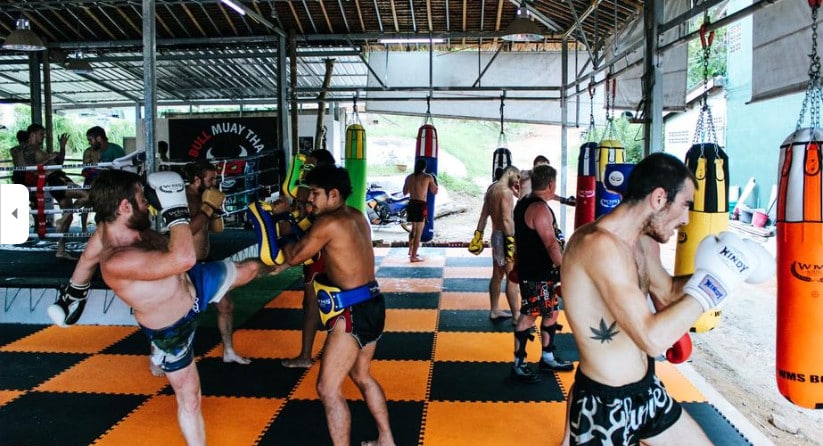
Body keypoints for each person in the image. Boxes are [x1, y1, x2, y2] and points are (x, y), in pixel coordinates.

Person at [560, 152, 772, 444]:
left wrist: (728, 272)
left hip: (647, 392)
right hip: (603, 404)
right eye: (685, 205)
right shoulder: (598, 246)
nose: (686, 219)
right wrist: (712, 286)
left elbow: (668, 292)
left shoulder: (642, 241)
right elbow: (651, 339)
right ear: (659, 198)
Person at [68, 169, 270, 445]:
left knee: (252, 267)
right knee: (190, 399)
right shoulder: (118, 260)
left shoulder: (120, 228)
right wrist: (175, 206)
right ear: (124, 206)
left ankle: (295, 257)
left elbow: (85, 261)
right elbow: (184, 257)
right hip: (173, 329)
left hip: (193, 285)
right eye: (141, 198)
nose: (147, 203)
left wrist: (72, 296)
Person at [269, 165, 395, 446]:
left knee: (327, 388)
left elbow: (294, 256)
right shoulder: (356, 215)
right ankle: (386, 439)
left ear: (333, 194)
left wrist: (279, 220)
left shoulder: (327, 224)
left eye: (314, 193)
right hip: (373, 303)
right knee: (362, 375)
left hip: (353, 312)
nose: (309, 199)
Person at [510, 164, 573, 384]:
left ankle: (547, 357)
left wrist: (566, 200)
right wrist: (566, 270)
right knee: (529, 315)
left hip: (538, 271)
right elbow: (550, 243)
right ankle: (519, 364)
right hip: (537, 273)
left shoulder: (524, 202)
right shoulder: (539, 209)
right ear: (550, 184)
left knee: (551, 312)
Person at [280, 148, 337, 369]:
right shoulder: (324, 189)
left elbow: (302, 198)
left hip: (321, 252)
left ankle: (308, 355)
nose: (306, 169)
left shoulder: (318, 189)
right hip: (318, 249)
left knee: (317, 303)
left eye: (310, 165)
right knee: (315, 303)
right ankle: (311, 354)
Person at [21, 123, 88, 259]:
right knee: (86, 195)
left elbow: (59, 163)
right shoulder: (29, 150)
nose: (43, 137)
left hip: (59, 177)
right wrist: (48, 158)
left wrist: (62, 147)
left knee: (68, 216)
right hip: (55, 180)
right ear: (32, 135)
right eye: (41, 134)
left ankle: (61, 249)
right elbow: (31, 168)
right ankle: (62, 219)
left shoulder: (40, 150)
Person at [468, 165, 521, 321]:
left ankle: (495, 310)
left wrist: (478, 235)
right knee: (512, 276)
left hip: (495, 236)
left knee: (497, 274)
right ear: (509, 173)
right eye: (517, 176)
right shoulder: (506, 192)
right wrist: (512, 241)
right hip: (505, 237)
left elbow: (483, 216)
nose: (517, 180)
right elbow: (506, 219)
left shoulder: (491, 189)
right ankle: (517, 316)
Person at [402, 158, 438, 262]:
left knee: (413, 229)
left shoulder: (409, 177)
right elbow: (434, 191)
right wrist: (435, 180)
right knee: (419, 232)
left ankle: (410, 250)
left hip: (411, 204)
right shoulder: (428, 177)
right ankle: (413, 257)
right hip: (420, 205)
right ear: (424, 167)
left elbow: (405, 192)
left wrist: (413, 187)